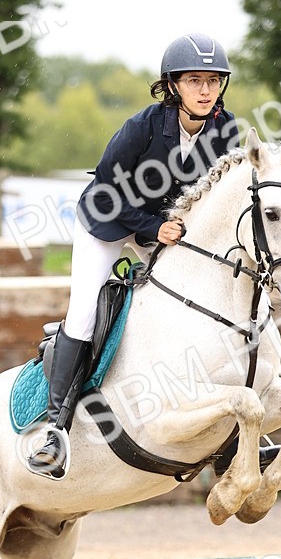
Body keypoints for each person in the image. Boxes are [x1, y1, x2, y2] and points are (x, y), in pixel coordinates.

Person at [27, 31, 239, 478]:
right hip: (107, 224)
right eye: (195, 80)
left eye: (213, 81)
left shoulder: (227, 131)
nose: (205, 90)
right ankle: (54, 430)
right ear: (173, 85)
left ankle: (229, 435)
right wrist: (151, 228)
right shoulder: (142, 128)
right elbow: (104, 193)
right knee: (84, 311)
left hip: (165, 230)